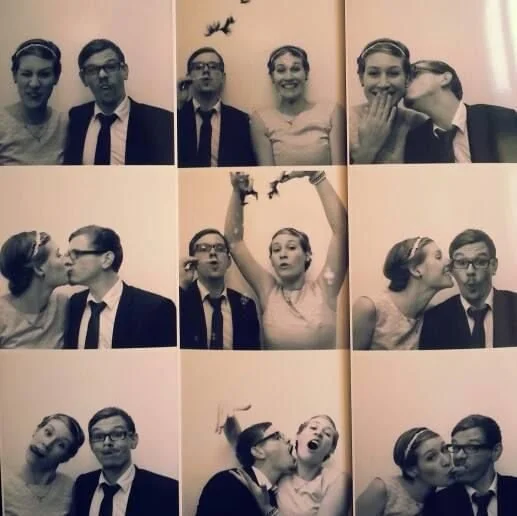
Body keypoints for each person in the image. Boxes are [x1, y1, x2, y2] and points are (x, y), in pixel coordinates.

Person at [224, 170, 348, 350]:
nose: (282, 254)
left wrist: (316, 176)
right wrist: (237, 193)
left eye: (291, 247)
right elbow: (234, 242)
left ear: (307, 255)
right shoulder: (268, 292)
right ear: (271, 260)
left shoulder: (325, 289)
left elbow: (342, 233)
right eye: (276, 250)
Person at [218, 406, 352, 516]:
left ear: (330, 449)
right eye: (313, 428)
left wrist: (268, 509)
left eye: (327, 434)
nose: (318, 433)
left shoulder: (337, 480)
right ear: (298, 436)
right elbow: (250, 447)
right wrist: (229, 415)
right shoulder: (282, 471)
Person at [63, 225, 176, 349]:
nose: (66, 261)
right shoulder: (74, 304)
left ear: (107, 259)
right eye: (67, 255)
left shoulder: (155, 309)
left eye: (76, 254)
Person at [64, 39, 174, 165]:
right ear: (83, 79)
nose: (102, 75)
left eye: (110, 67)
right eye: (92, 70)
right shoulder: (76, 117)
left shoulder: (160, 121)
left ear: (124, 71)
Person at [69, 407, 179, 516]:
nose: (107, 442)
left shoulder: (167, 490)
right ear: (91, 445)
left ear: (133, 440)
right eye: (98, 436)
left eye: (117, 434)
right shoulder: (83, 485)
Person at [420, 229, 517, 349]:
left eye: (480, 261)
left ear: (494, 266)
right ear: (452, 269)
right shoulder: (434, 319)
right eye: (461, 262)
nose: (470, 271)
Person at [404, 60, 517, 163]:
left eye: (414, 74)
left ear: (445, 78)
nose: (405, 83)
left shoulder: (500, 119)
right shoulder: (416, 140)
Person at [251, 45, 345, 166]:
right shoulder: (261, 119)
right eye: (281, 70)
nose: (288, 77)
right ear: (272, 77)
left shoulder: (332, 112)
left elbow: (339, 171)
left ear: (306, 73)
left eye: (295, 69)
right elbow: (267, 173)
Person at [353, 237, 453, 350]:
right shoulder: (369, 308)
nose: (449, 262)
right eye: (438, 257)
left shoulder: (433, 315)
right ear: (416, 269)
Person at [179, 228, 260, 349]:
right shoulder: (181, 301)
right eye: (203, 249)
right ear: (192, 261)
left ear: (228, 261)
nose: (213, 253)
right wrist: (181, 285)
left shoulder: (247, 306)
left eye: (220, 248)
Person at [349, 38, 426, 164]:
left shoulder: (420, 123)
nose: (383, 83)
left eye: (393, 73)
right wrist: (368, 148)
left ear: (407, 78)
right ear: (361, 78)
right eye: (374, 73)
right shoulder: (344, 122)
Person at [177, 47, 256, 167]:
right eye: (198, 67)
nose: (206, 71)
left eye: (213, 67)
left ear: (223, 77)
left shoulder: (242, 121)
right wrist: (179, 104)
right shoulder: (176, 117)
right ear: (188, 77)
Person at [196, 421, 296, 516]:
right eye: (277, 437)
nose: (288, 439)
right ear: (258, 452)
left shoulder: (278, 498)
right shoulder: (227, 482)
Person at [423, 415, 517, 516]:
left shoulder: (513, 490)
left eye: (471, 447)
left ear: (495, 451)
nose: (459, 456)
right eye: (455, 447)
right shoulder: (437, 504)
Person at [356, 427, 453, 516]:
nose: (446, 461)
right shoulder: (383, 489)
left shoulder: (446, 495)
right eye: (431, 457)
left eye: (444, 449)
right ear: (411, 470)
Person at [0, 39, 67, 165]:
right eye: (26, 74)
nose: (34, 84)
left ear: (56, 78)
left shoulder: (65, 124)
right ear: (15, 76)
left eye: (44, 74)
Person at [3, 413, 84, 516]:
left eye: (61, 445)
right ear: (36, 431)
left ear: (66, 457)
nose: (47, 443)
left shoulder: (70, 488)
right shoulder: (4, 483)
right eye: (48, 433)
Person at [0, 231, 69, 348]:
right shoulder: (2, 314)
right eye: (58, 255)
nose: (67, 261)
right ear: (38, 268)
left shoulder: (63, 305)